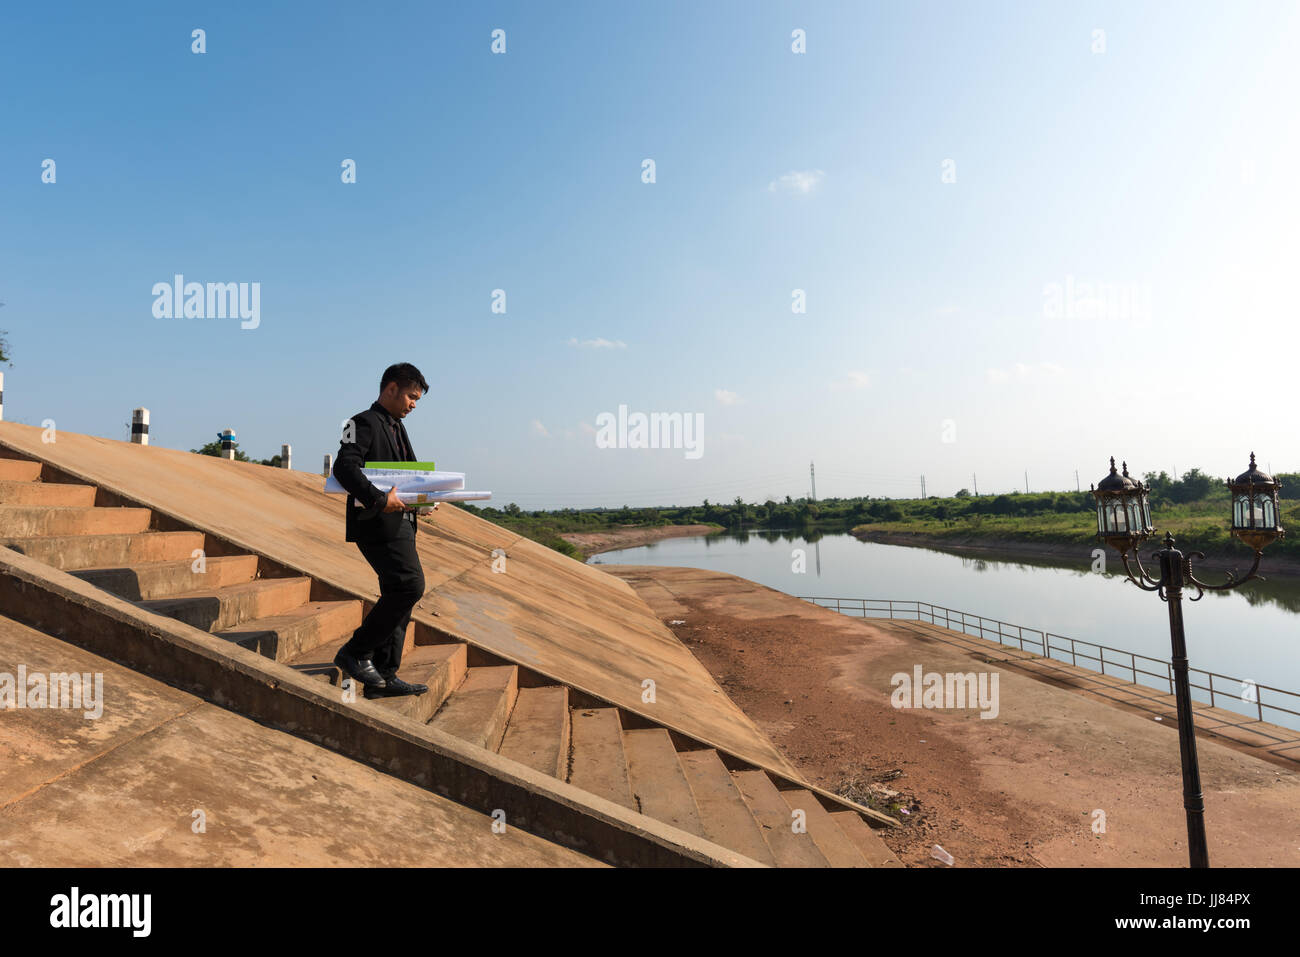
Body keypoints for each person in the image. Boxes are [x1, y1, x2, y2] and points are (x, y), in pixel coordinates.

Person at [330, 362, 436, 698]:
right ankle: (356, 652)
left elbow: (403, 476)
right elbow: (345, 467)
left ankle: (384, 677)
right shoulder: (359, 422)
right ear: (391, 388)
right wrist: (378, 499)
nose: (414, 404)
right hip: (377, 523)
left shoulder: (396, 426)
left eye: (417, 399)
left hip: (402, 522)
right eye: (411, 396)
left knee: (399, 596)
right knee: (409, 586)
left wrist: (424, 499)